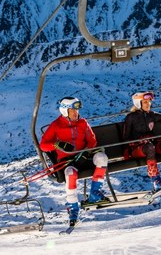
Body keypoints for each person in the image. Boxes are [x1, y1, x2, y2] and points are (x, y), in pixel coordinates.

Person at [39, 96, 109, 226]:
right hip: (68, 160)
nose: (76, 113)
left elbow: (92, 140)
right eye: (73, 110)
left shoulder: (82, 123)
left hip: (84, 156)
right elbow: (43, 145)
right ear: (65, 111)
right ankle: (72, 206)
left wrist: (86, 152)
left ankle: (94, 193)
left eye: (76, 110)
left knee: (102, 158)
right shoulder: (56, 125)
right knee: (71, 174)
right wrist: (56, 145)